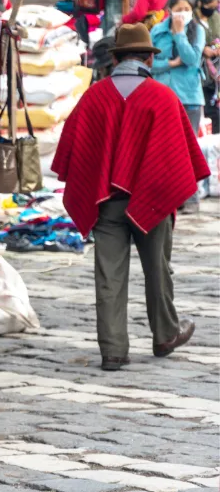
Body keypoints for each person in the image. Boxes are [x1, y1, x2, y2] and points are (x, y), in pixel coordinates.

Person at [51, 24, 210, 372]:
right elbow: (180, 155)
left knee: (108, 274)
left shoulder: (94, 96)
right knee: (157, 269)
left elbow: (71, 151)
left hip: (105, 201)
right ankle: (166, 335)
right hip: (152, 198)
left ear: (116, 57)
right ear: (149, 59)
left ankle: (112, 350)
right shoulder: (163, 97)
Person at [151, 0, 206, 213]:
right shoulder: (156, 31)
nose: (183, 12)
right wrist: (170, 63)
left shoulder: (197, 30)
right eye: (179, 8)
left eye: (186, 8)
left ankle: (190, 198)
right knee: (164, 149)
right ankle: (171, 198)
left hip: (189, 98)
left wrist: (180, 34)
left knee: (187, 148)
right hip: (162, 96)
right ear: (170, 10)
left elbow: (192, 58)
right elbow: (149, 63)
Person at [195, 0, 220, 133]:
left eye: (214, 7)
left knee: (214, 110)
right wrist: (203, 49)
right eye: (209, 7)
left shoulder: (216, 17)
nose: (211, 10)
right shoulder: (192, 18)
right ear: (200, 3)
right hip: (199, 71)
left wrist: (216, 47)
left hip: (214, 70)